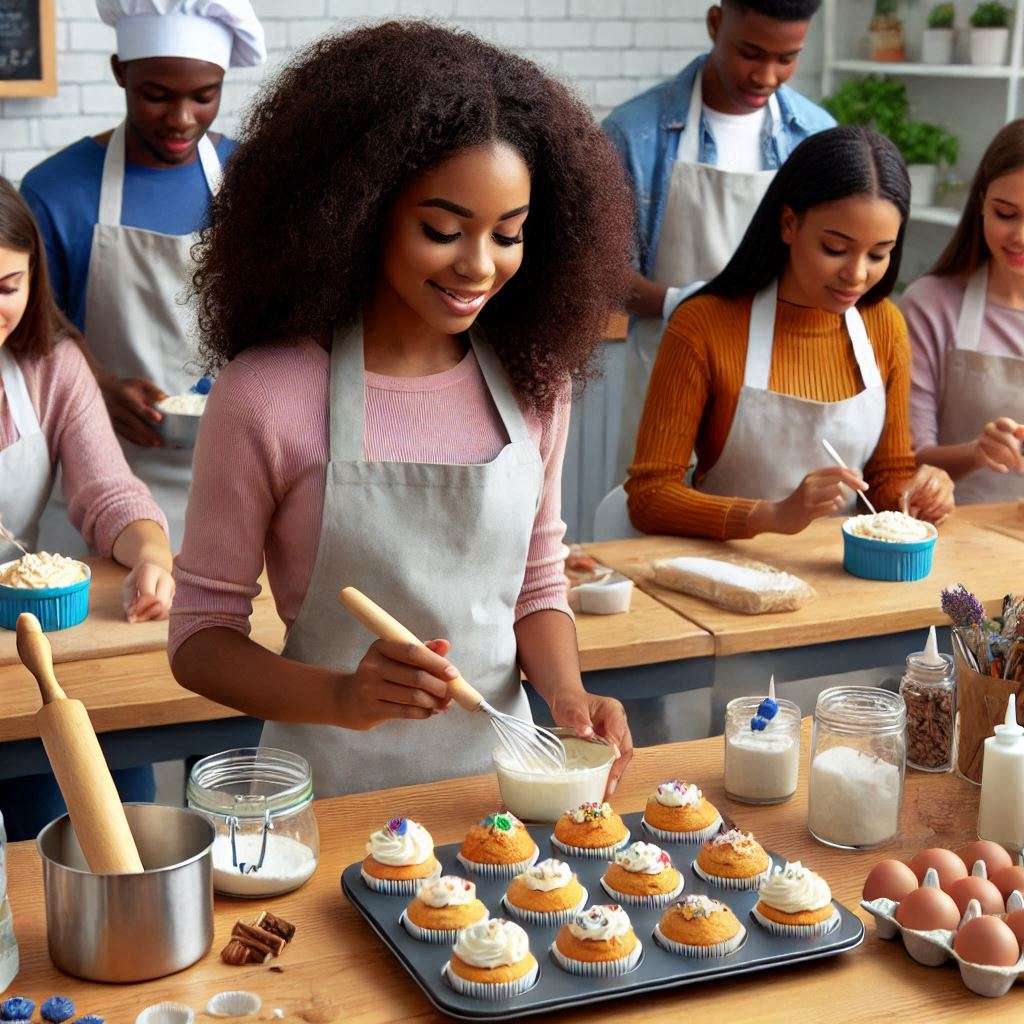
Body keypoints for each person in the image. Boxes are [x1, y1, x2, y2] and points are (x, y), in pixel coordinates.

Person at [168, 23, 636, 797]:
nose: (479, 266)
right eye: (442, 231)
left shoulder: (535, 386)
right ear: (359, 210)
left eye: (509, 235)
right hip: (323, 801)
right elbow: (200, 641)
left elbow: (537, 584)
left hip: (497, 796)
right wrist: (342, 698)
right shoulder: (266, 396)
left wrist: (568, 694)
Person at [626, 126, 955, 539]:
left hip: (845, 575)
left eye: (878, 254)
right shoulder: (704, 326)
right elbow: (649, 497)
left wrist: (919, 494)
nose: (856, 275)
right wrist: (772, 516)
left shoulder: (885, 326)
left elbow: (887, 479)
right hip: (726, 572)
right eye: (834, 248)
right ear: (788, 224)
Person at [20, 0, 266, 551]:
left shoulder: (254, 181)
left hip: (239, 481)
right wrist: (97, 387)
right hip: (99, 479)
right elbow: (30, 329)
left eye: (205, 95)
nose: (182, 119)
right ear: (120, 74)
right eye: (156, 94)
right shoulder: (55, 190)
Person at [0, 178, 175, 838]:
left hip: (26, 643)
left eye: (7, 286)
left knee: (109, 804)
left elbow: (107, 491)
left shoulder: (51, 365)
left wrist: (151, 554)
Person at [604, 0, 835, 479]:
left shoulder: (816, 139)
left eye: (787, 58)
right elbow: (603, 277)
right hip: (664, 375)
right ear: (715, 23)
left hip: (776, 384)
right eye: (750, 52)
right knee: (653, 524)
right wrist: (688, 303)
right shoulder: (634, 133)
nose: (766, 76)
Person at [902, 120, 1024, 504]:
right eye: (1006, 214)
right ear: (982, 204)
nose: (1020, 236)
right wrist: (977, 452)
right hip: (953, 544)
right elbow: (906, 460)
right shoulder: (931, 305)